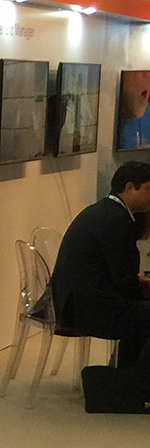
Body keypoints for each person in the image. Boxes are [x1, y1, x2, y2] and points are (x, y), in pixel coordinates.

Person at [50, 158, 150, 404]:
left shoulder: (102, 211)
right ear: (129, 188)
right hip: (89, 309)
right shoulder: (117, 221)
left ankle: (129, 378)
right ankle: (134, 386)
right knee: (144, 313)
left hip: (74, 301)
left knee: (142, 312)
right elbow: (124, 280)